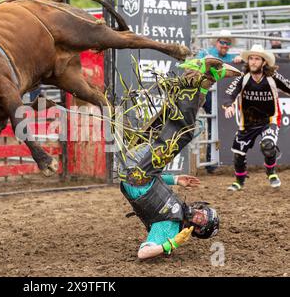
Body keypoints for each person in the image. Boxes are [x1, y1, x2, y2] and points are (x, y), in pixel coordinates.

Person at [117, 57, 241, 259]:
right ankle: (200, 81)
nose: (198, 215)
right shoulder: (178, 209)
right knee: (168, 124)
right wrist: (175, 179)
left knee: (182, 134)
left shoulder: (171, 228)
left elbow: (143, 253)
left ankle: (199, 79)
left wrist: (173, 243)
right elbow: (153, 189)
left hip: (137, 174)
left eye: (201, 220)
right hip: (140, 171)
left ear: (196, 231)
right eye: (202, 212)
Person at [223, 44, 290, 191]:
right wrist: (229, 105)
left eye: (257, 59)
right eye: (251, 59)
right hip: (247, 123)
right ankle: (239, 181)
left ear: (264, 62)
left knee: (268, 145)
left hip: (269, 120)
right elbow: (230, 93)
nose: (253, 62)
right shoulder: (244, 78)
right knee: (238, 154)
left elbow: (288, 87)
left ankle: (271, 172)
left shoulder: (273, 78)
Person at [196, 30, 243, 174]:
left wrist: (240, 59)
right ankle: (202, 160)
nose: (225, 45)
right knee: (205, 120)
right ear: (216, 42)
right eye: (222, 42)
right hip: (203, 92)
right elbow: (197, 63)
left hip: (216, 95)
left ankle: (211, 163)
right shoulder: (205, 53)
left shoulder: (231, 57)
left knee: (214, 123)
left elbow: (243, 63)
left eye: (227, 43)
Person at [8, 0, 48, 102]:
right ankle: (15, 103)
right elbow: (8, 12)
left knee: (35, 71)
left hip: (36, 38)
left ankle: (35, 103)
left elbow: (47, 15)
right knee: (17, 70)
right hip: (18, 37)